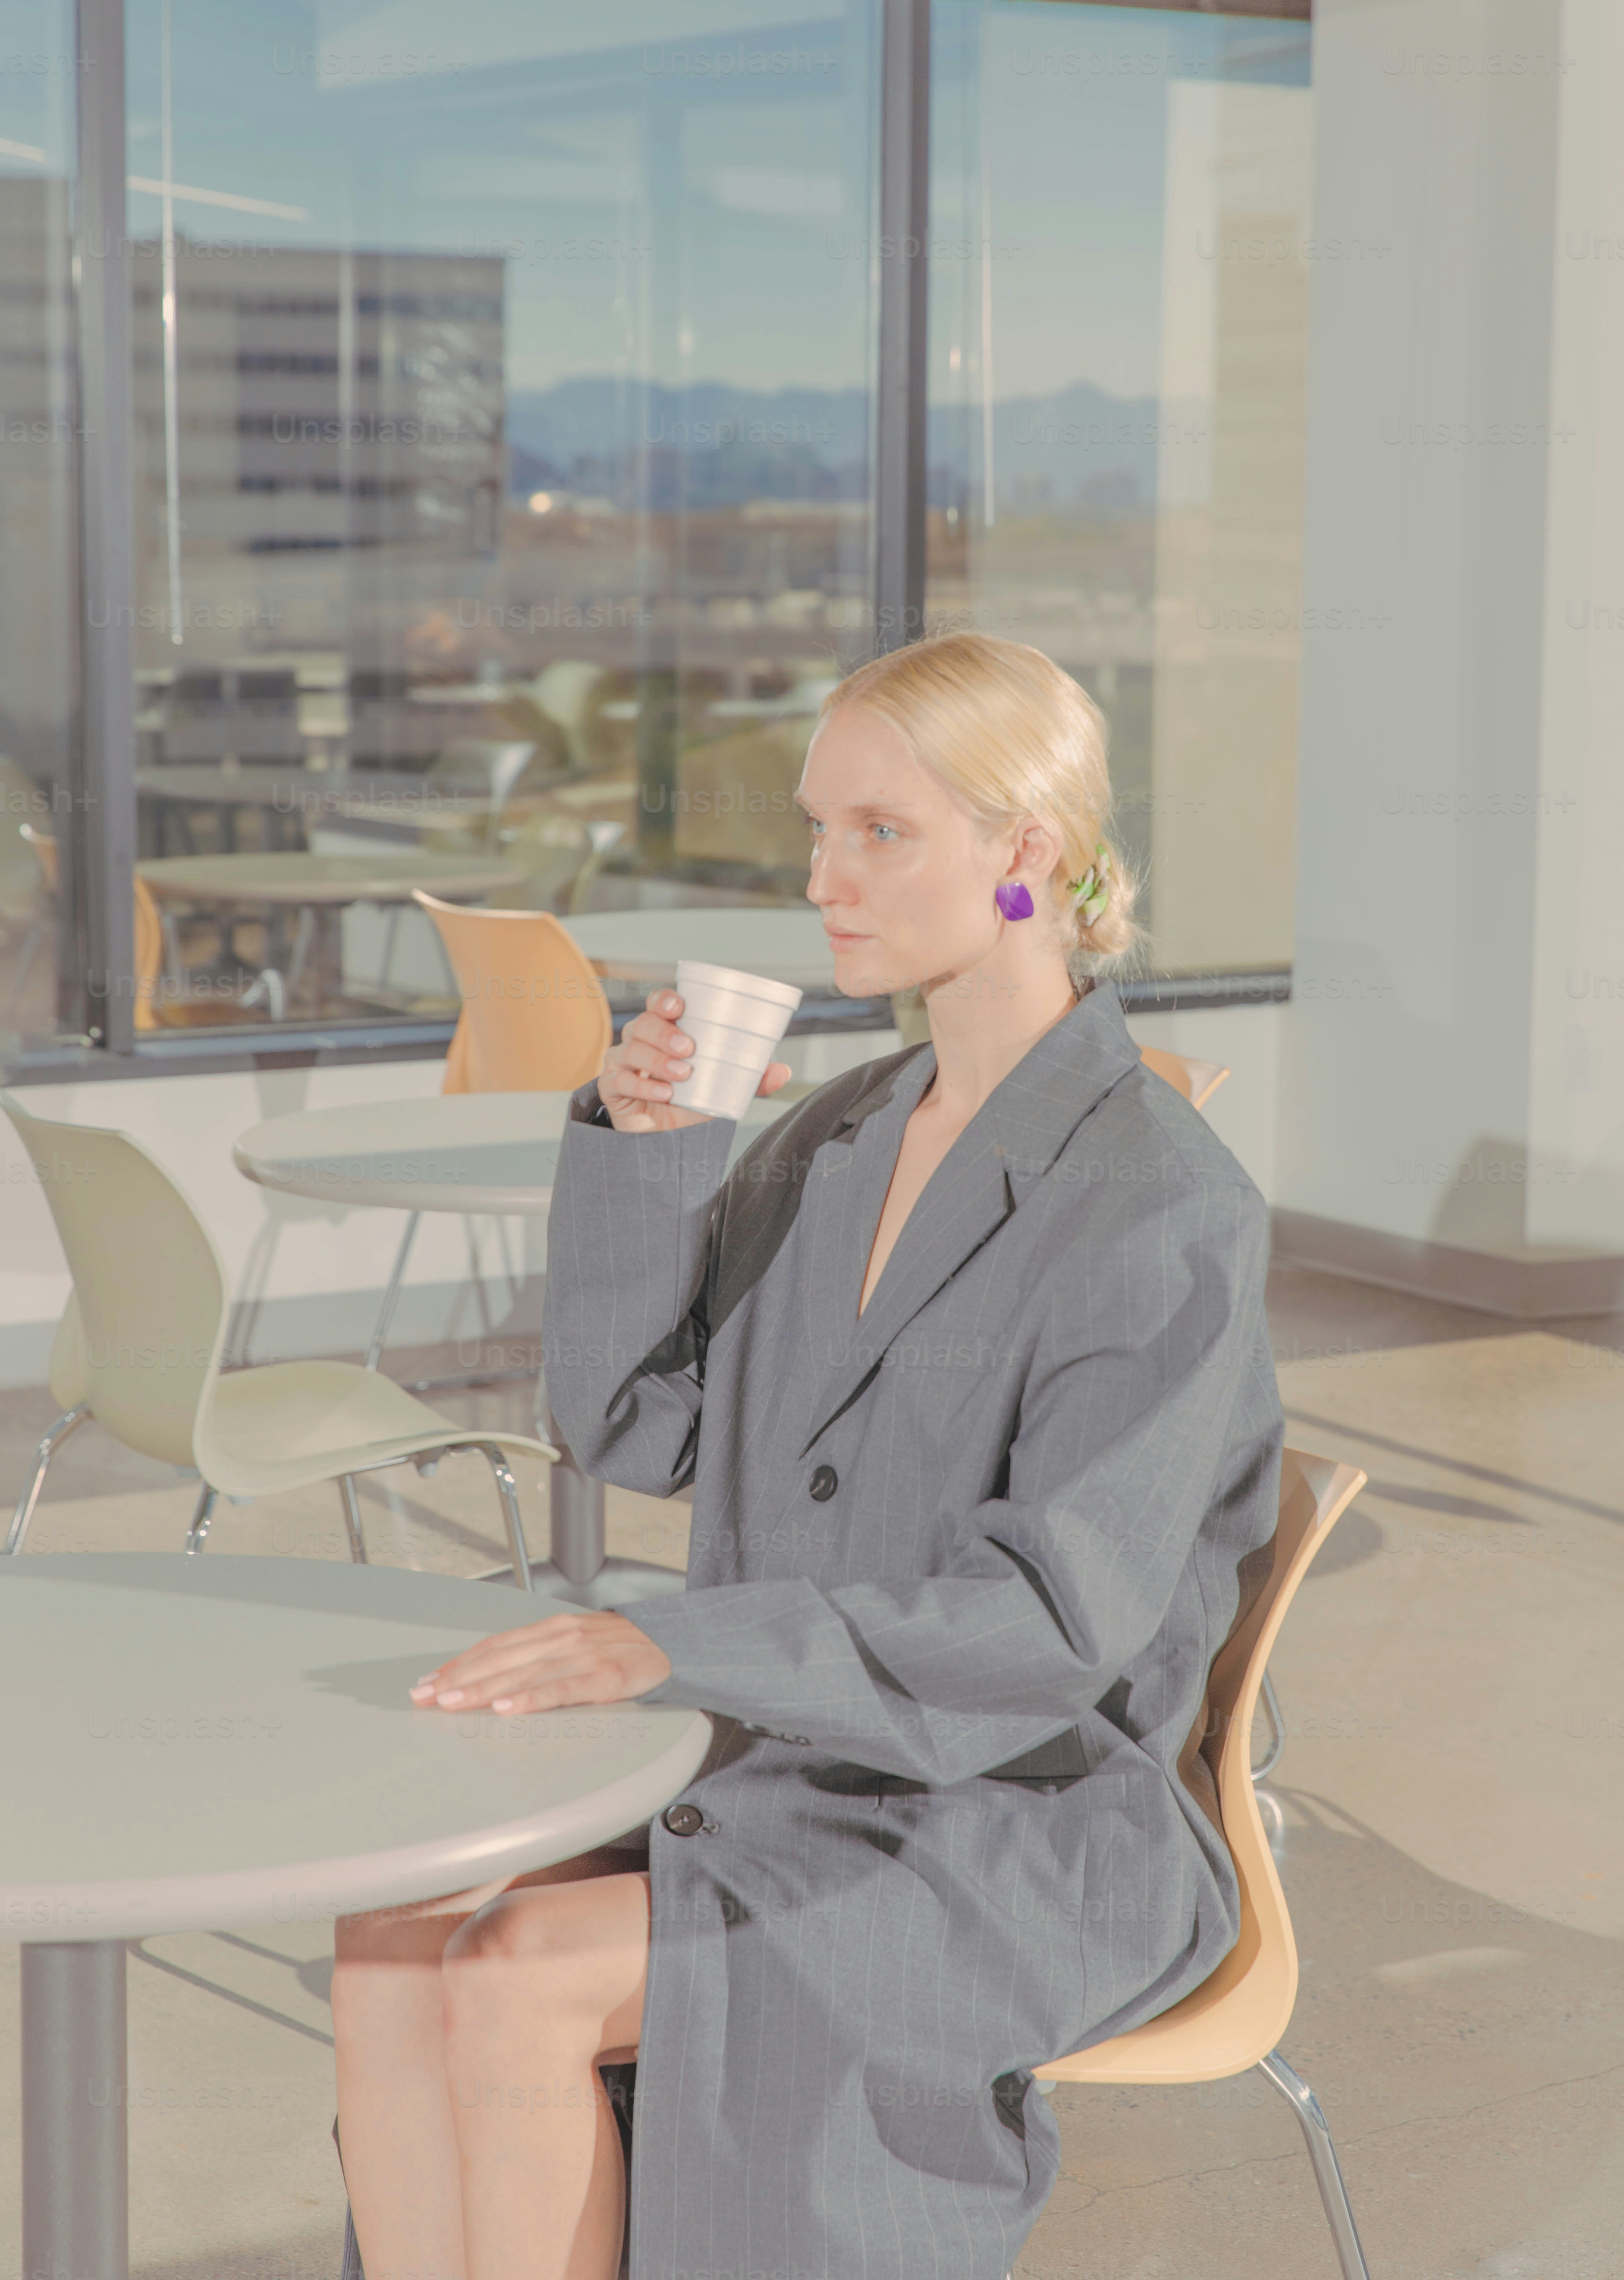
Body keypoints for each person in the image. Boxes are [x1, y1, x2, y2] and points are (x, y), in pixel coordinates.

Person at [330, 630, 1286, 2280]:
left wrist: (668, 1639)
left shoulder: (1161, 1204)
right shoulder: (831, 1134)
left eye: (879, 832)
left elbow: (1052, 1628)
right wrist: (650, 1161)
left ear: (1022, 855)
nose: (823, 880)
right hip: (792, 1756)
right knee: (391, 1940)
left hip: (1018, 1817)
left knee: (512, 1973)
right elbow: (636, 1425)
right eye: (814, 831)